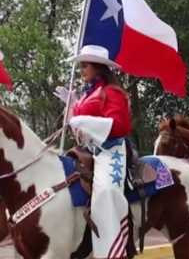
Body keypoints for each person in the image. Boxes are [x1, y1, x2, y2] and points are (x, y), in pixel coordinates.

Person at [55, 45, 131, 259]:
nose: (81, 70)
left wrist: (83, 119)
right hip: (84, 150)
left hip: (110, 150)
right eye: (81, 66)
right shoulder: (88, 94)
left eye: (85, 66)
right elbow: (76, 126)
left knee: (106, 192)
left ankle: (112, 252)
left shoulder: (113, 92)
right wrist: (72, 106)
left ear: (98, 68)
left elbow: (120, 126)